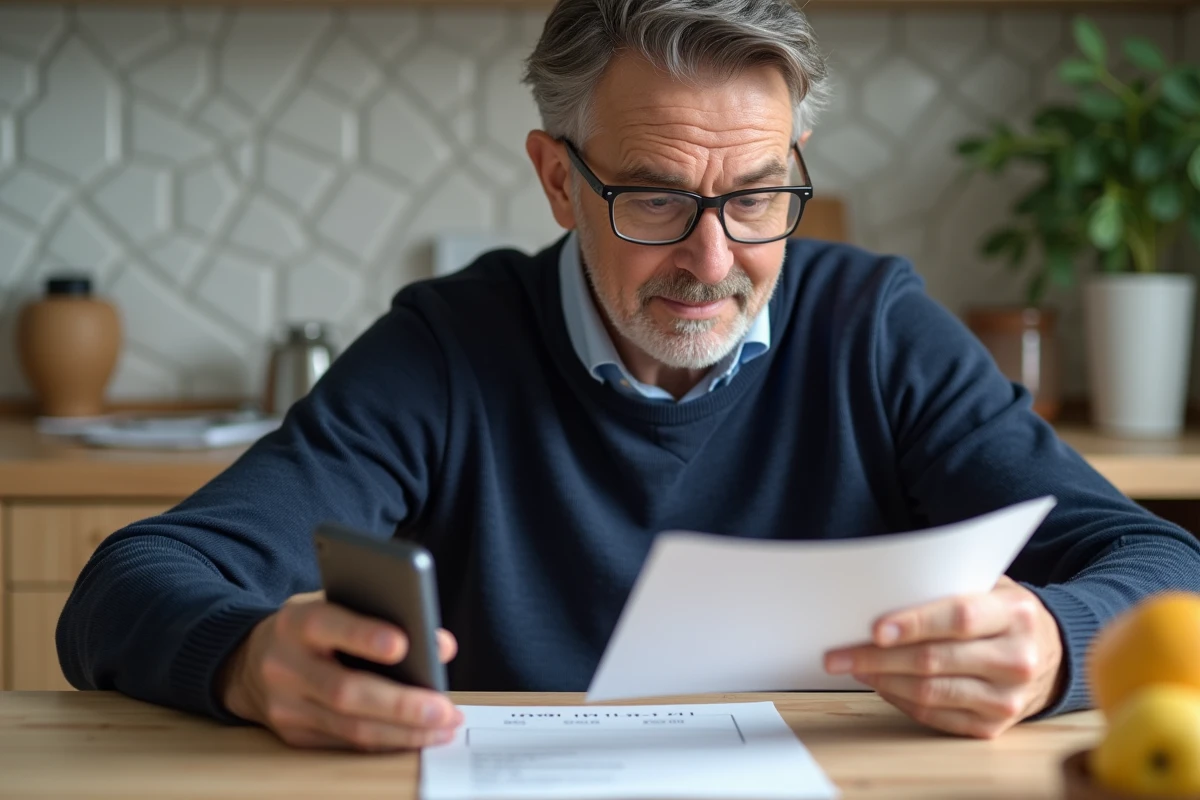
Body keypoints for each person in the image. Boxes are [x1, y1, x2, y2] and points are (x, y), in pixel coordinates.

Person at [58, 0, 1200, 753]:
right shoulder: (449, 347)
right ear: (557, 179)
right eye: (654, 196)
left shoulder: (875, 327)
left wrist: (1052, 639)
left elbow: (1165, 566)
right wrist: (249, 662)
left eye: (756, 196)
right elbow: (130, 581)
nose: (714, 259)